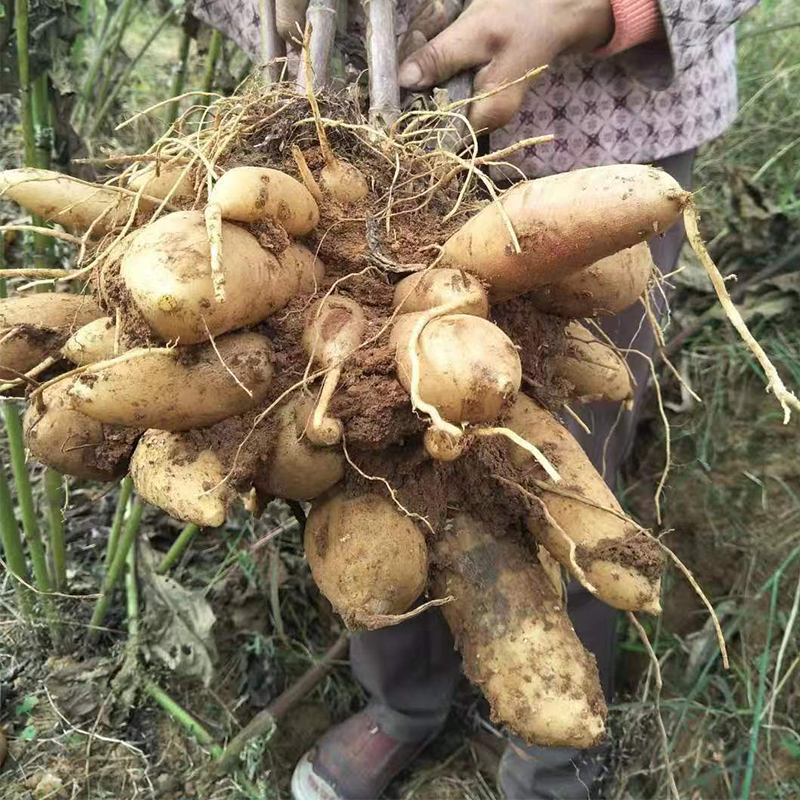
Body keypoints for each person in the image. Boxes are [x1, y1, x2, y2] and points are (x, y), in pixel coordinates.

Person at [194, 0, 759, 796]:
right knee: (370, 463)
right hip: (340, 143)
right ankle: (404, 703)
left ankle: (554, 737)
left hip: (586, 159)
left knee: (565, 459)